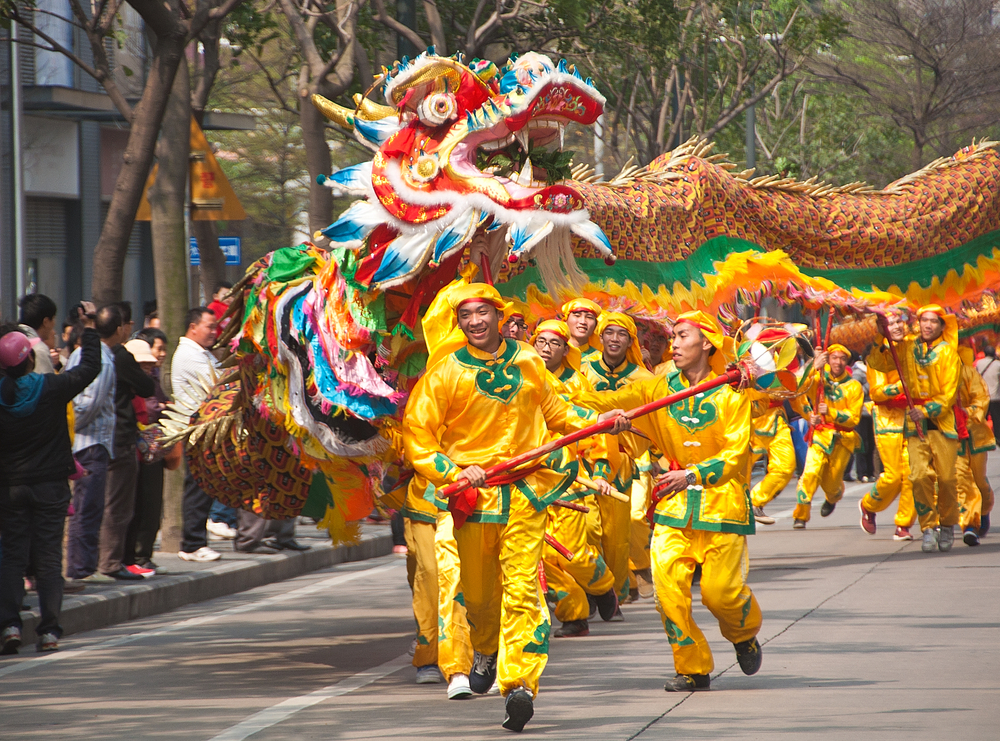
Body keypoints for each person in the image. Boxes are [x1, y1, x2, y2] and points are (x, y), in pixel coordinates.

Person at [402, 282, 627, 732]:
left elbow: (559, 412)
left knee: (523, 589)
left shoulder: (527, 359)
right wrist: (455, 471)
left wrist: (598, 420)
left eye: (482, 312)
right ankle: (484, 649)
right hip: (473, 500)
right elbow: (417, 436)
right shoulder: (444, 373)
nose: (475, 322)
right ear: (458, 322)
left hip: (525, 494)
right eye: (466, 315)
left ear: (498, 315)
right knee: (481, 598)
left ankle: (520, 684)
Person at [579, 311, 762, 692]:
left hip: (721, 505)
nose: (673, 345)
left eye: (681, 336)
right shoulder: (658, 388)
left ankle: (743, 634)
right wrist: (612, 418)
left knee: (720, 593)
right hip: (673, 508)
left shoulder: (732, 392)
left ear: (706, 343)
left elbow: (736, 454)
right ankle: (692, 667)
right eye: (673, 337)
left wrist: (692, 474)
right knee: (668, 593)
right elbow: (600, 400)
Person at [0, 313, 100, 654]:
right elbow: (89, 370)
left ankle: (10, 625)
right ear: (29, 358)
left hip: (10, 489)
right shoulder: (51, 387)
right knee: (47, 559)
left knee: (12, 557)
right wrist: (88, 332)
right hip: (50, 489)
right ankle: (49, 631)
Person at [532, 320, 618, 638]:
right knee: (539, 556)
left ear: (566, 350)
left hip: (568, 475)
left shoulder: (577, 385)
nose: (545, 348)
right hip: (526, 479)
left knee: (572, 552)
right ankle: (574, 613)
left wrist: (601, 469)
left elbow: (595, 430)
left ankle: (602, 585)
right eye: (539, 341)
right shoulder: (520, 376)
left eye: (554, 343)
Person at [869, 305, 962, 553]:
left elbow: (949, 394)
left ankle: (948, 524)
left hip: (941, 423)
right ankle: (928, 528)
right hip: (914, 424)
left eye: (933, 321)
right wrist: (881, 335)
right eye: (924, 321)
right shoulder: (907, 347)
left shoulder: (949, 354)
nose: (928, 325)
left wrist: (928, 410)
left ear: (942, 326)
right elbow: (878, 363)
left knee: (946, 479)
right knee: (919, 477)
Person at [581, 312, 654, 612]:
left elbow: (652, 423)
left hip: (622, 464)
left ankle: (616, 595)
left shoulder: (644, 380)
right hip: (584, 460)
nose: (614, 339)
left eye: (621, 334)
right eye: (608, 332)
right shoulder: (582, 372)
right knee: (588, 528)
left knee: (616, 537)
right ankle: (593, 588)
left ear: (630, 341)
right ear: (600, 337)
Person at [64, 304, 122, 582]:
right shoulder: (104, 360)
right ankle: (80, 569)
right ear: (121, 329)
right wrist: (74, 431)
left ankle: (81, 566)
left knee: (85, 508)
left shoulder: (80, 353)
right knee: (87, 509)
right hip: (90, 444)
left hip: (84, 443)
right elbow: (88, 406)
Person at [99, 307, 156, 581]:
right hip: (119, 436)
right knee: (119, 504)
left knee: (97, 503)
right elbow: (146, 387)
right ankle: (111, 563)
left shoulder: (87, 353)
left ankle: (94, 562)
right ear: (121, 327)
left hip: (95, 438)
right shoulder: (119, 355)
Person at [858, 312, 916, 540]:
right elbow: (877, 393)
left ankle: (904, 524)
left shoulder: (913, 348)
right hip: (888, 421)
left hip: (912, 418)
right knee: (893, 476)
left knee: (913, 475)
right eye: (890, 323)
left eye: (899, 322)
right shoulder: (878, 353)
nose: (896, 326)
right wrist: (903, 387)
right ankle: (868, 505)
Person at [791, 345, 863, 528]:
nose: (837, 362)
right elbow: (797, 389)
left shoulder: (854, 386)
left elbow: (854, 418)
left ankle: (833, 497)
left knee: (831, 484)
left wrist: (830, 412)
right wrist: (813, 367)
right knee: (810, 473)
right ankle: (801, 515)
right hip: (820, 434)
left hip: (842, 439)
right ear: (828, 360)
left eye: (842, 359)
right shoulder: (818, 378)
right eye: (834, 358)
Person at [171, 307, 223, 562]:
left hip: (206, 429)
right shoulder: (190, 356)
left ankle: (196, 541)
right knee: (198, 487)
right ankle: (192, 544)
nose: (214, 332)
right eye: (209, 327)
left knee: (203, 486)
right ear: (193, 327)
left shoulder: (202, 354)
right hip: (196, 430)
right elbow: (220, 386)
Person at [122, 330, 172, 572]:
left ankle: (142, 556)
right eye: (142, 364)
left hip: (150, 452)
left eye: (149, 364)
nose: (148, 367)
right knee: (134, 507)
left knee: (150, 506)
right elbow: (152, 410)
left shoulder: (154, 379)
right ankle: (131, 558)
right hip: (131, 452)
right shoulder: (127, 386)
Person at [955, 346, 996, 546]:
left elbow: (981, 399)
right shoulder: (930, 373)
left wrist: (966, 413)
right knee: (962, 480)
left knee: (979, 480)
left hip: (974, 434)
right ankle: (970, 524)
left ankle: (985, 509)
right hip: (950, 436)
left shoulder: (968, 373)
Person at [748, 392, 796, 525]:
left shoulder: (789, 370)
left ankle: (754, 503)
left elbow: (796, 388)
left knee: (785, 466)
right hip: (748, 419)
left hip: (778, 420)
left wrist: (810, 415)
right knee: (735, 470)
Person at [18, 293, 60, 374]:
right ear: (46, 321)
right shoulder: (39, 349)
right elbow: (45, 385)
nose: (55, 323)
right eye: (54, 318)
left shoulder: (11, 338)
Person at [975, 345, 1000, 446]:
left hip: (983, 397)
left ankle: (982, 439)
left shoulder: (979, 363)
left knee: (982, 419)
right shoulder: (998, 364)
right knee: (997, 420)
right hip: (995, 397)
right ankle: (998, 438)